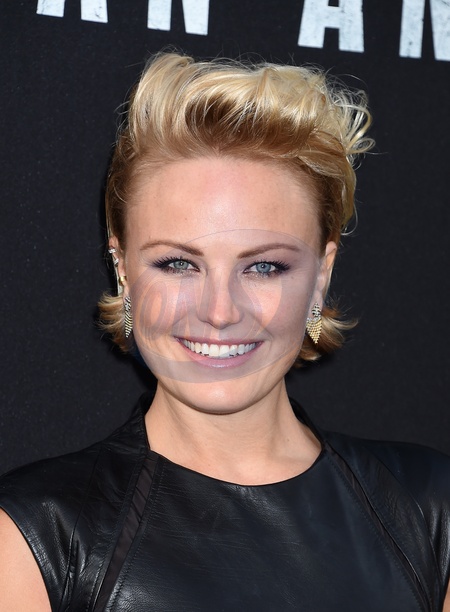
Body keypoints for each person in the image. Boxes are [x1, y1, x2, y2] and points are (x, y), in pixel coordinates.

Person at [0, 52, 449, 611]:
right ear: (123, 270)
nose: (219, 311)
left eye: (264, 267)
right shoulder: (34, 539)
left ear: (320, 277)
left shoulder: (427, 510)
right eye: (177, 264)